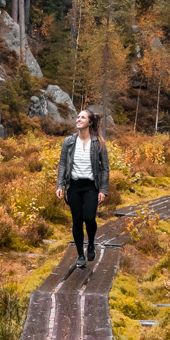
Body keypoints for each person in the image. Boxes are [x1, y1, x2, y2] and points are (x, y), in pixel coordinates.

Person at [56, 109, 109, 270]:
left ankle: (91, 243)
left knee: (90, 219)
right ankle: (80, 255)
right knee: (77, 221)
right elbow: (63, 164)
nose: (78, 119)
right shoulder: (69, 142)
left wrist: (103, 190)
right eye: (78, 117)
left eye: (82, 117)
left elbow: (105, 168)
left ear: (90, 122)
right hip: (74, 186)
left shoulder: (98, 142)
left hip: (91, 187)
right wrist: (60, 185)